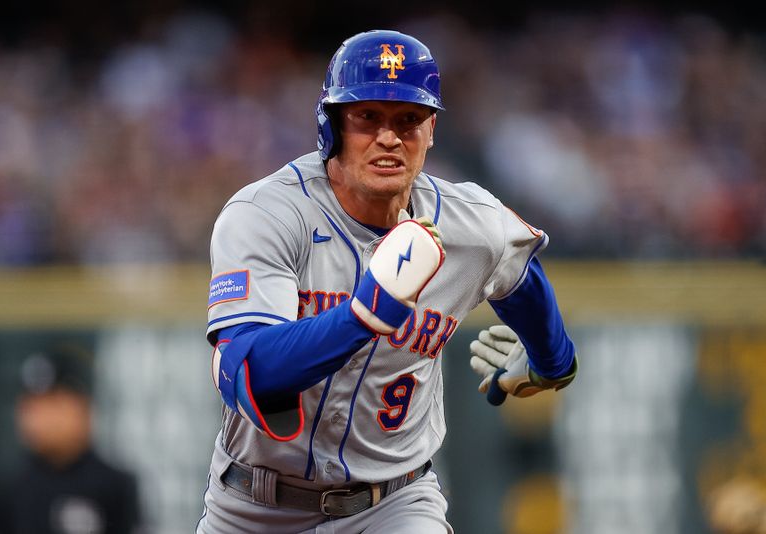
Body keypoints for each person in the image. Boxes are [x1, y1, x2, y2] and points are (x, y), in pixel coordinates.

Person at [197, 29, 577, 533]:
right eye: (367, 117)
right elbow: (248, 374)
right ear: (330, 125)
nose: (389, 138)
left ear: (431, 131)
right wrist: (363, 315)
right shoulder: (266, 214)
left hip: (393, 504)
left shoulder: (471, 224)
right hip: (256, 507)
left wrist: (550, 361)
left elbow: (522, 274)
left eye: (409, 120)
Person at [0, 344, 142, 534]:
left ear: (82, 407)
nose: (38, 417)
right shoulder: (9, 488)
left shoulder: (114, 485)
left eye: (51, 403)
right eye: (30, 404)